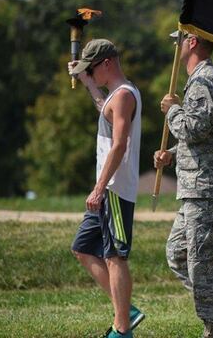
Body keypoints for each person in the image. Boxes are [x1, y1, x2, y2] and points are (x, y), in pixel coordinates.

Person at [154, 31, 213, 338]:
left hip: (208, 187)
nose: (175, 46)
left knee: (202, 261)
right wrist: (171, 154)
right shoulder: (200, 81)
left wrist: (173, 112)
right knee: (179, 254)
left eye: (178, 40)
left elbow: (195, 128)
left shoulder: (205, 81)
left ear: (192, 42)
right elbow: (207, 137)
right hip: (198, 186)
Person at [69, 39, 144, 338]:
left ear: (108, 63)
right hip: (106, 189)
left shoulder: (125, 95)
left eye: (93, 69)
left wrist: (99, 188)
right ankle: (126, 310)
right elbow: (106, 110)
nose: (92, 73)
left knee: (115, 256)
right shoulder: (116, 95)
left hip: (114, 189)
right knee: (83, 248)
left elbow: (120, 144)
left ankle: (122, 328)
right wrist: (88, 83)